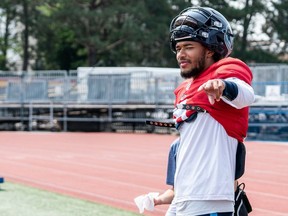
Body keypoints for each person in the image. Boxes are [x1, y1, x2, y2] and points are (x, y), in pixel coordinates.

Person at [168, 6, 255, 216]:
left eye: (188, 46)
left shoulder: (228, 70)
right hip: (184, 199)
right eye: (178, 48)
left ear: (210, 48)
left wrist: (223, 86)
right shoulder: (183, 89)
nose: (181, 54)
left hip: (211, 200)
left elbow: (246, 94)